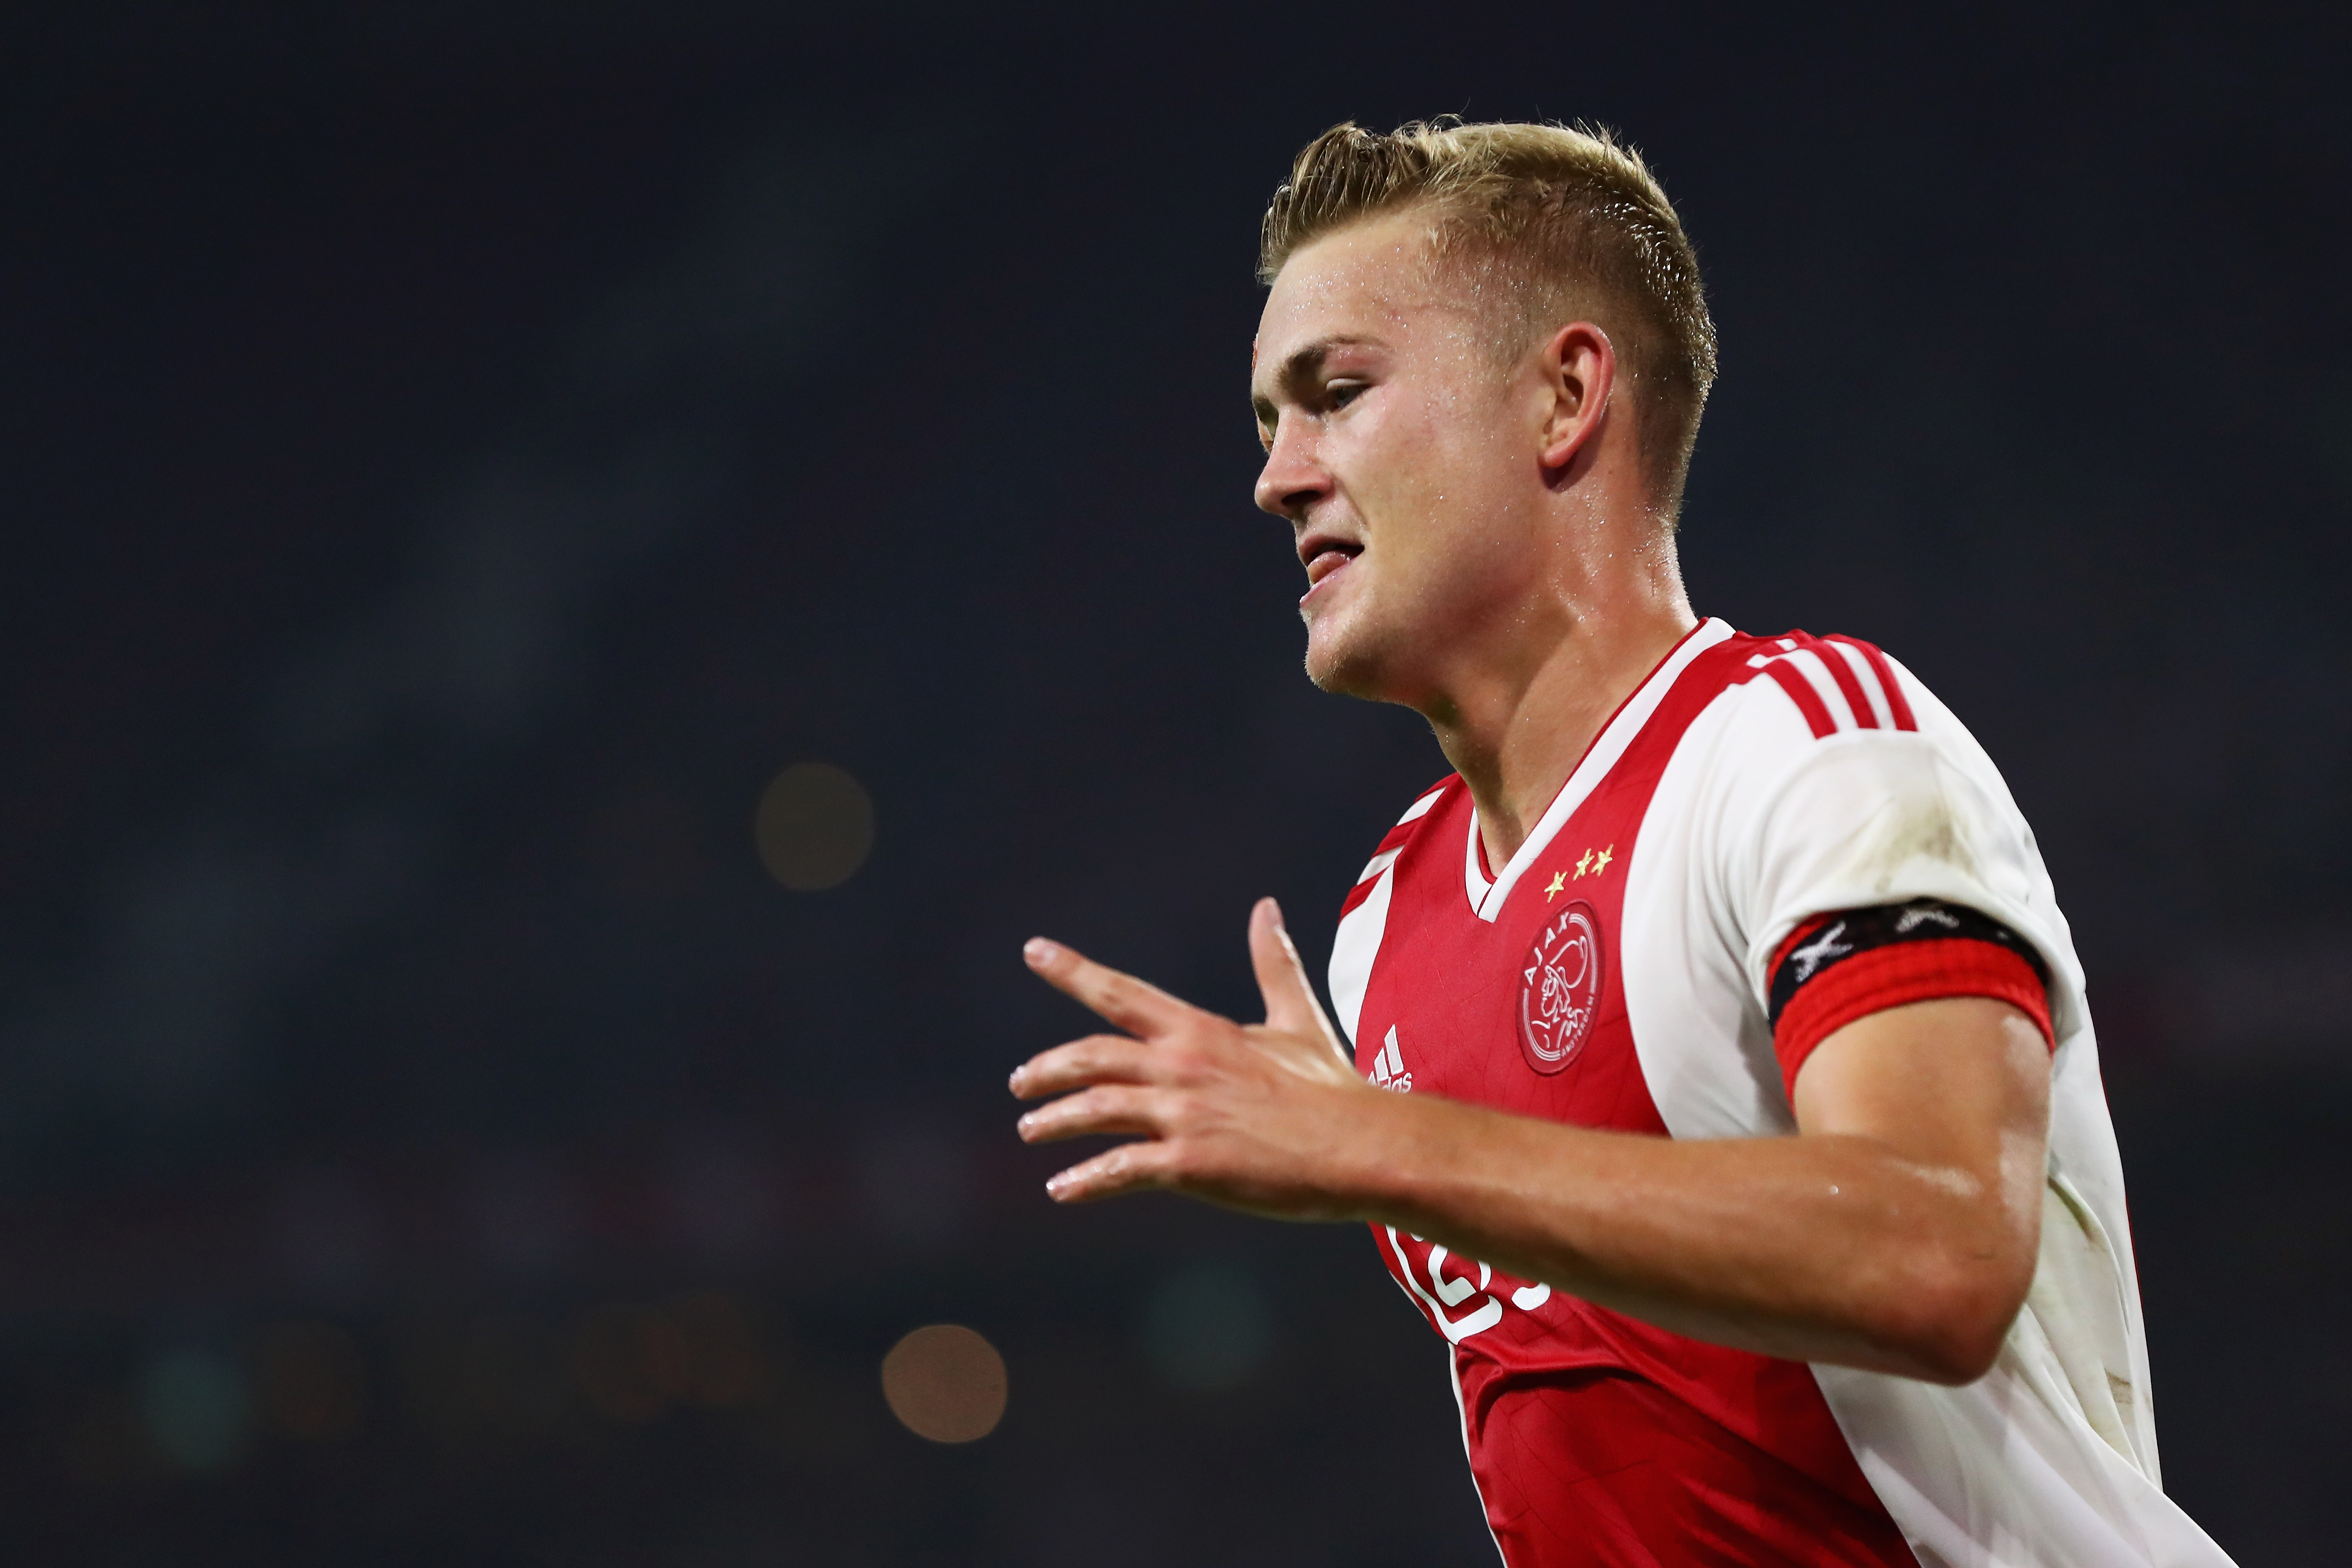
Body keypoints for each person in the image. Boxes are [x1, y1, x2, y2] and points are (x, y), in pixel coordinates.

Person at [1007, 119, 2235, 1568]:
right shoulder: (1383, 929)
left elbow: (1938, 1250)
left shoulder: (1809, 748)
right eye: (1269, 424)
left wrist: (1379, 1144)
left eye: (1335, 394)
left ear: (1565, 398)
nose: (1280, 476)